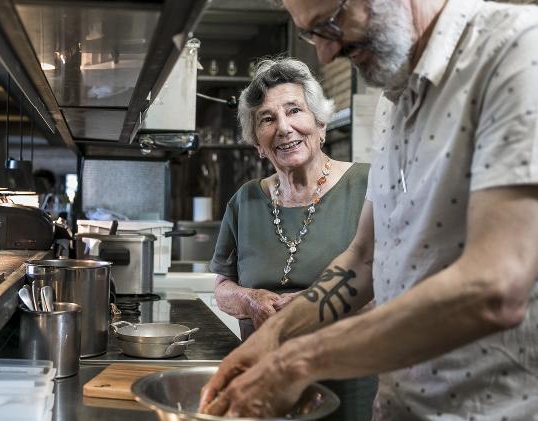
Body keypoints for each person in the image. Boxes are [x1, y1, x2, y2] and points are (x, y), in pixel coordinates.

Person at [199, 0, 538, 419]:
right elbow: (365, 257)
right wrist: (275, 336)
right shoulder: (393, 102)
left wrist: (297, 360)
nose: (324, 53)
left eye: (330, 23)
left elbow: (495, 287)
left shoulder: (517, 51)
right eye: (312, 33)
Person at [208, 57, 375, 420]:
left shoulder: (368, 186)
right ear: (257, 141)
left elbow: (397, 287)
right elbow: (222, 285)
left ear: (321, 123)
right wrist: (249, 299)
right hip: (261, 384)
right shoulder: (245, 200)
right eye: (267, 119)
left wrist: (311, 306)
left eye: (294, 110)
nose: (283, 128)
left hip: (347, 381)